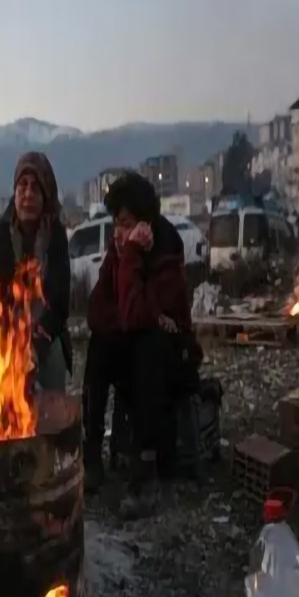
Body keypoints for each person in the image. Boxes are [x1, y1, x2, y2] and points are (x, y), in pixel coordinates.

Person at [84, 172, 201, 518]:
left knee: (150, 343)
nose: (118, 233)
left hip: (173, 358)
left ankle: (146, 471)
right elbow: (95, 311)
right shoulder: (117, 252)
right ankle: (91, 452)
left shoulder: (166, 252)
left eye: (126, 224)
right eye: (115, 224)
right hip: (132, 347)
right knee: (100, 343)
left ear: (145, 225)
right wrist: (140, 315)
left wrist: (132, 257)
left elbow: (136, 314)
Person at [0, 152, 71, 391]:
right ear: (14, 192)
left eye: (35, 189)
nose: (28, 195)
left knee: (55, 362)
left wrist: (37, 340)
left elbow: (60, 303)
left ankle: (51, 424)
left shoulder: (55, 236)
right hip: (4, 332)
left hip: (43, 332)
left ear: (45, 195)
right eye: (22, 186)